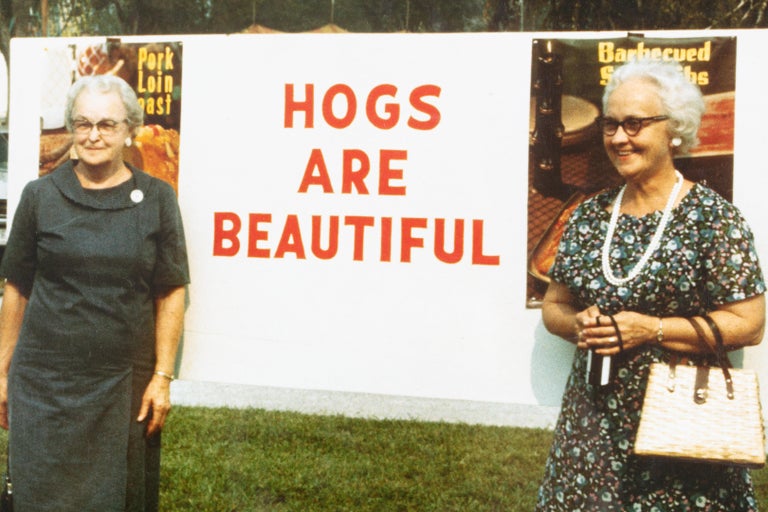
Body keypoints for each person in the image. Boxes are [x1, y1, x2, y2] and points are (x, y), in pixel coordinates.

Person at [535, 57, 766, 511]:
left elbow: (750, 322)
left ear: (674, 128)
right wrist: (579, 324)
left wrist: (652, 329)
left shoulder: (712, 218)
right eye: (611, 125)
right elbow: (553, 307)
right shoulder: (587, 216)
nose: (620, 138)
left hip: (682, 424)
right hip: (592, 427)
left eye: (635, 124)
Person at [0, 74, 190, 511]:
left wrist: (162, 377)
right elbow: (17, 288)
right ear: (71, 128)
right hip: (44, 384)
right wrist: (4, 371)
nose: (93, 135)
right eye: (83, 123)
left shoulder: (159, 199)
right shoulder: (39, 196)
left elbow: (171, 290)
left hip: (123, 385)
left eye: (107, 124)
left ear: (129, 130)